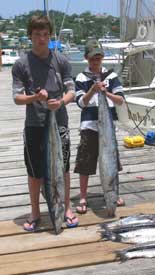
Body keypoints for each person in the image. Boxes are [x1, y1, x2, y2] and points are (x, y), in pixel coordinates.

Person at [12, 15, 78, 231]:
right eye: (37, 34)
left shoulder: (61, 60)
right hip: (34, 125)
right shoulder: (21, 64)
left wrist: (59, 103)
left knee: (64, 169)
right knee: (34, 172)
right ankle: (35, 212)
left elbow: (71, 91)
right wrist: (34, 98)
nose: (41, 39)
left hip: (58, 123)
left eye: (45, 34)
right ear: (30, 35)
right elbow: (17, 97)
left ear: (49, 36)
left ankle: (66, 208)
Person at [74, 39, 125, 214]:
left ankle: (113, 192)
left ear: (102, 57)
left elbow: (120, 100)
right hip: (89, 126)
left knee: (111, 161)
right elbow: (81, 103)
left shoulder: (111, 76)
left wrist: (105, 92)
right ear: (86, 58)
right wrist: (93, 90)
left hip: (108, 128)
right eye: (92, 58)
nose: (95, 61)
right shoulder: (81, 77)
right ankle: (82, 196)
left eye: (98, 57)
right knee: (85, 163)